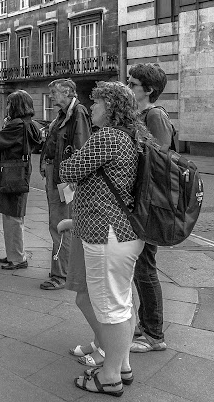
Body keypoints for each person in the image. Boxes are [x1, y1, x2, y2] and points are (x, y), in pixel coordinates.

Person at [60, 81, 146, 396]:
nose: (91, 108)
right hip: (123, 232)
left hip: (106, 231)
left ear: (109, 107)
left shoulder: (108, 137)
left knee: (111, 308)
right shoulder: (132, 136)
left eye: (95, 104)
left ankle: (110, 378)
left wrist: (70, 159)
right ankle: (121, 367)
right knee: (120, 304)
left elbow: (69, 170)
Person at [127, 64, 172, 354]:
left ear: (149, 90)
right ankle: (145, 323)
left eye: (133, 84)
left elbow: (159, 159)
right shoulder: (141, 115)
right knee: (139, 267)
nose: (128, 87)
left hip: (149, 203)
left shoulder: (155, 115)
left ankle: (155, 335)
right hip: (139, 200)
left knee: (145, 268)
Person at [0, 90, 42, 270]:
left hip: (12, 174)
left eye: (9, 104)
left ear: (16, 106)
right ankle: (14, 254)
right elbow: (4, 140)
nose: (6, 107)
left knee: (12, 217)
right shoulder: (27, 124)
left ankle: (18, 259)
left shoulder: (17, 125)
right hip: (17, 173)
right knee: (12, 216)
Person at [39, 79, 91, 291]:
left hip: (64, 180)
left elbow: (81, 147)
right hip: (58, 176)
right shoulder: (65, 114)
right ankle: (61, 271)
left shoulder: (78, 113)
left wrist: (72, 179)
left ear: (68, 92)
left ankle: (61, 274)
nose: (51, 96)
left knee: (60, 226)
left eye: (54, 92)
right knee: (58, 224)